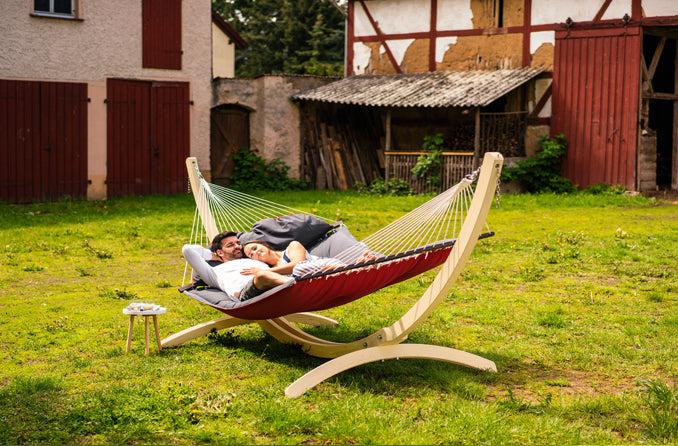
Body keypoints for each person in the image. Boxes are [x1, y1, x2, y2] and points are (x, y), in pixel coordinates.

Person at [182, 231, 292, 302]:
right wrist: (212, 256)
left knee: (263, 274)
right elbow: (187, 249)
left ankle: (293, 283)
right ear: (220, 252)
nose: (238, 246)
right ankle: (294, 283)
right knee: (261, 276)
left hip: (274, 283)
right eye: (230, 245)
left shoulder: (253, 257)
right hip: (248, 293)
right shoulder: (213, 272)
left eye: (238, 243)